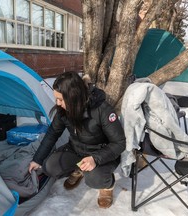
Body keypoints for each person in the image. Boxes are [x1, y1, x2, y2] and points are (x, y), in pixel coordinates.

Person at [28, 71, 126, 209]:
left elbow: (119, 143)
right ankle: (79, 169)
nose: (57, 103)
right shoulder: (63, 111)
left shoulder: (102, 110)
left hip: (101, 155)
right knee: (49, 167)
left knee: (94, 179)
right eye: (56, 98)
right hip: (76, 150)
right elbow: (52, 133)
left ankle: (108, 185)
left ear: (73, 97)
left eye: (61, 99)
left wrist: (95, 159)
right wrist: (37, 159)